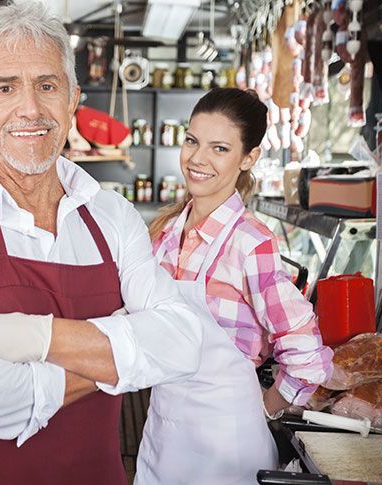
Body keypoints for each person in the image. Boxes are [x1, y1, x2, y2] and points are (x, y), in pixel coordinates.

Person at [0, 2, 202, 484]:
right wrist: (115, 353)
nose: (30, 109)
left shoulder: (112, 215)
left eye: (47, 86)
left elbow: (181, 343)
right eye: (6, 87)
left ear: (73, 100)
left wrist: (32, 338)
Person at [138, 88, 334, 483]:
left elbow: (306, 355)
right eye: (192, 141)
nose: (197, 159)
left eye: (219, 148)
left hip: (226, 451)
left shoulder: (251, 242)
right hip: (162, 436)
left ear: (248, 158)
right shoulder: (164, 233)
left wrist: (265, 407)